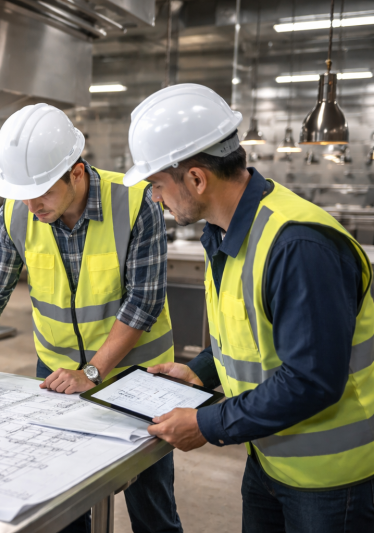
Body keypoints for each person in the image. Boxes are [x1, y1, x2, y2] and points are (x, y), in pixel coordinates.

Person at [122, 83, 374, 532]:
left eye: (157, 185)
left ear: (196, 178)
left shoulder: (297, 245)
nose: (155, 199)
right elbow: (248, 338)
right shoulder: (224, 235)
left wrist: (207, 423)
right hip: (268, 455)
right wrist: (199, 372)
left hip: (331, 479)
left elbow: (312, 380)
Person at [0, 103, 181, 533]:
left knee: (151, 507)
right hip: (54, 376)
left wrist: (92, 371)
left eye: (43, 192)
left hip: (138, 377)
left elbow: (144, 302)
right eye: (24, 194)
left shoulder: (136, 201)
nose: (32, 206)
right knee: (60, 504)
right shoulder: (16, 212)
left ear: (77, 173)